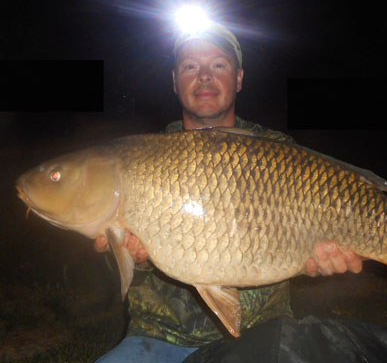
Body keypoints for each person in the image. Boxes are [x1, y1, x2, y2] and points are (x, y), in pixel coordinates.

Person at [94, 23, 364, 362]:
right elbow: (115, 270)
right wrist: (134, 258)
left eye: (218, 65)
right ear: (175, 82)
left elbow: (302, 248)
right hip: (158, 340)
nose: (204, 76)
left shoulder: (278, 151)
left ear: (238, 79)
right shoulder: (142, 158)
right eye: (190, 66)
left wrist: (315, 264)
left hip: (263, 336)